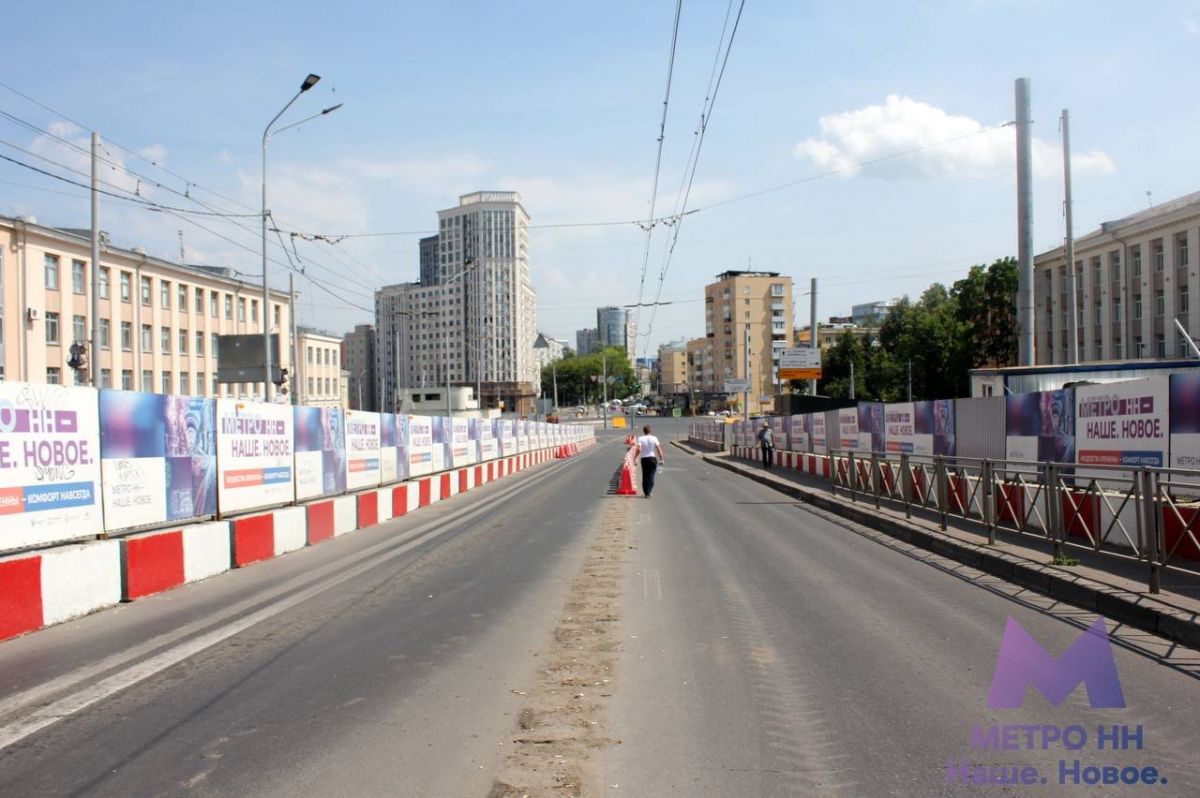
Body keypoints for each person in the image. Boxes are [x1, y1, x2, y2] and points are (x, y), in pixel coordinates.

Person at [635, 425, 665, 498]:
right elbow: (659, 449)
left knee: (645, 476)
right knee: (651, 476)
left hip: (644, 459)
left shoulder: (640, 438)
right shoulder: (654, 438)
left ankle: (646, 493)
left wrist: (635, 457)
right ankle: (649, 492)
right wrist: (661, 459)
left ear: (643, 431)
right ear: (650, 431)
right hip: (652, 458)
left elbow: (639, 449)